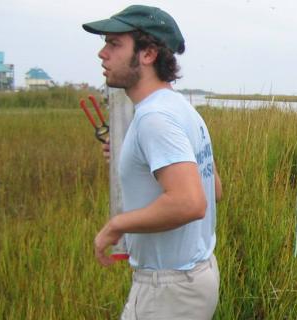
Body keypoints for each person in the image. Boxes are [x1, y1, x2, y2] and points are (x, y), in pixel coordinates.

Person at [83, 5, 222, 319]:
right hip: (193, 277)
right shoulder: (181, 109)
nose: (102, 54)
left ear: (147, 54)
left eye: (114, 44)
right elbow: (213, 188)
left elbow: (190, 203)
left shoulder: (155, 117)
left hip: (169, 289)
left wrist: (116, 224)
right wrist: (138, 162)